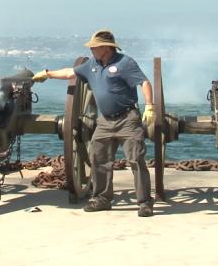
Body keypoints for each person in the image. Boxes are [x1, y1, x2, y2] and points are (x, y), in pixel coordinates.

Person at [32, 29, 156, 217]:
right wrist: (47, 74)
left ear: (106, 48)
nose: (91, 50)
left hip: (127, 119)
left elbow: (144, 83)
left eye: (94, 47)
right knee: (98, 159)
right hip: (104, 121)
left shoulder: (125, 63)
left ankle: (145, 203)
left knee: (136, 160)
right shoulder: (91, 65)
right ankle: (102, 199)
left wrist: (150, 106)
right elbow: (69, 73)